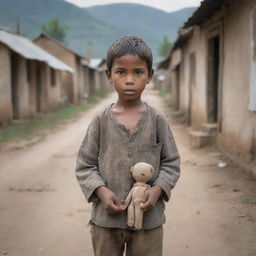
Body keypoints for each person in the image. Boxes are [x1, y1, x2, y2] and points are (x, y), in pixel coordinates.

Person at [75, 35, 180, 256]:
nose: (129, 80)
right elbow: (85, 164)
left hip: (148, 222)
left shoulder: (157, 119)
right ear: (109, 75)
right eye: (121, 72)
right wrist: (101, 191)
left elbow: (171, 162)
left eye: (138, 72)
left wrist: (158, 190)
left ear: (150, 75)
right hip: (106, 221)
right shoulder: (101, 121)